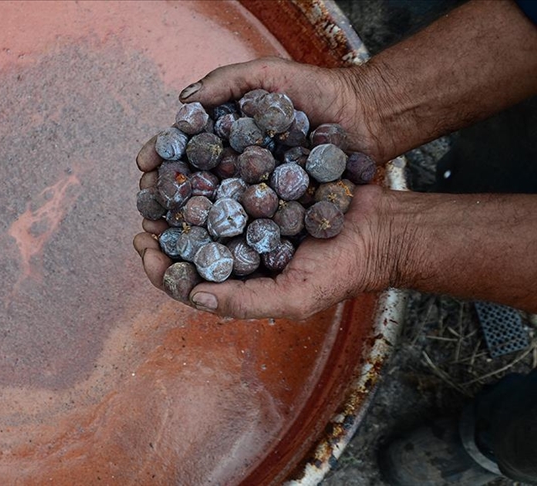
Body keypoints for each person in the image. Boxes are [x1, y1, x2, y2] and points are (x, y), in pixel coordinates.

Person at [133, 0, 537, 484]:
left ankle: (497, 445)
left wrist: (388, 244)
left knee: (527, 443)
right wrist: (372, 105)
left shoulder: (267, 194)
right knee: (504, 154)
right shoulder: (261, 168)